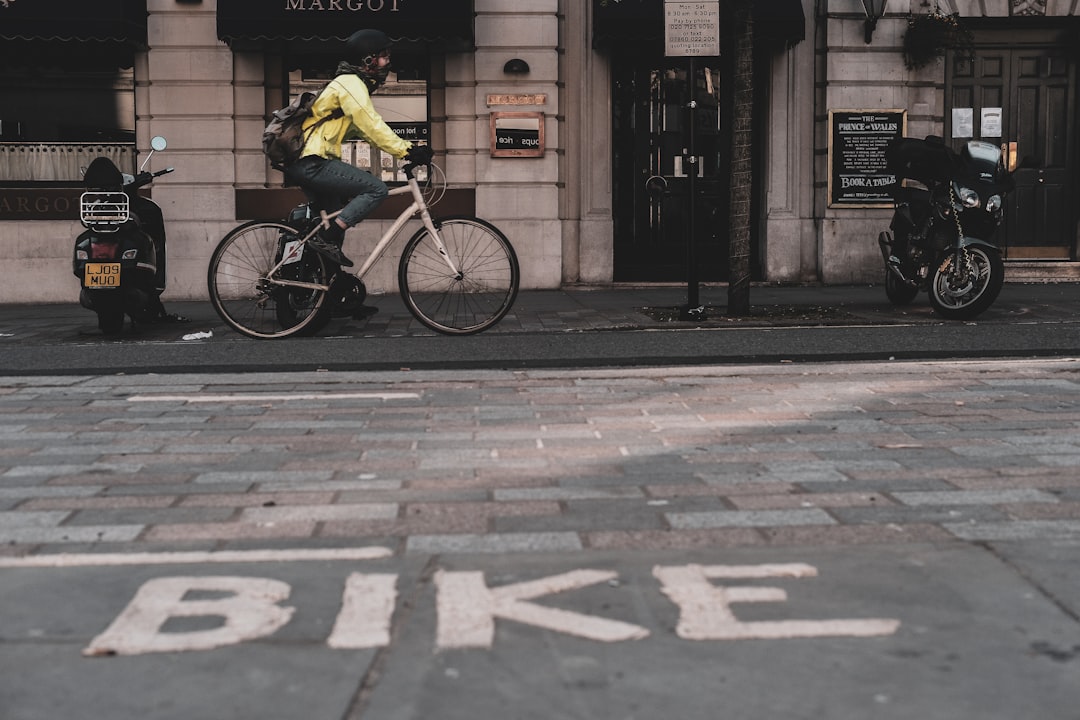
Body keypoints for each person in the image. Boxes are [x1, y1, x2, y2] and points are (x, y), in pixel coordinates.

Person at [283, 29, 434, 268]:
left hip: (308, 162)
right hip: (312, 162)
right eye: (384, 57)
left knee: (333, 228)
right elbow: (371, 123)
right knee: (376, 189)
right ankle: (325, 239)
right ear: (368, 60)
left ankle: (334, 295)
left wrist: (403, 149)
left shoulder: (349, 84)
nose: (388, 62)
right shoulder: (350, 83)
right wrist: (406, 150)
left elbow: (363, 131)